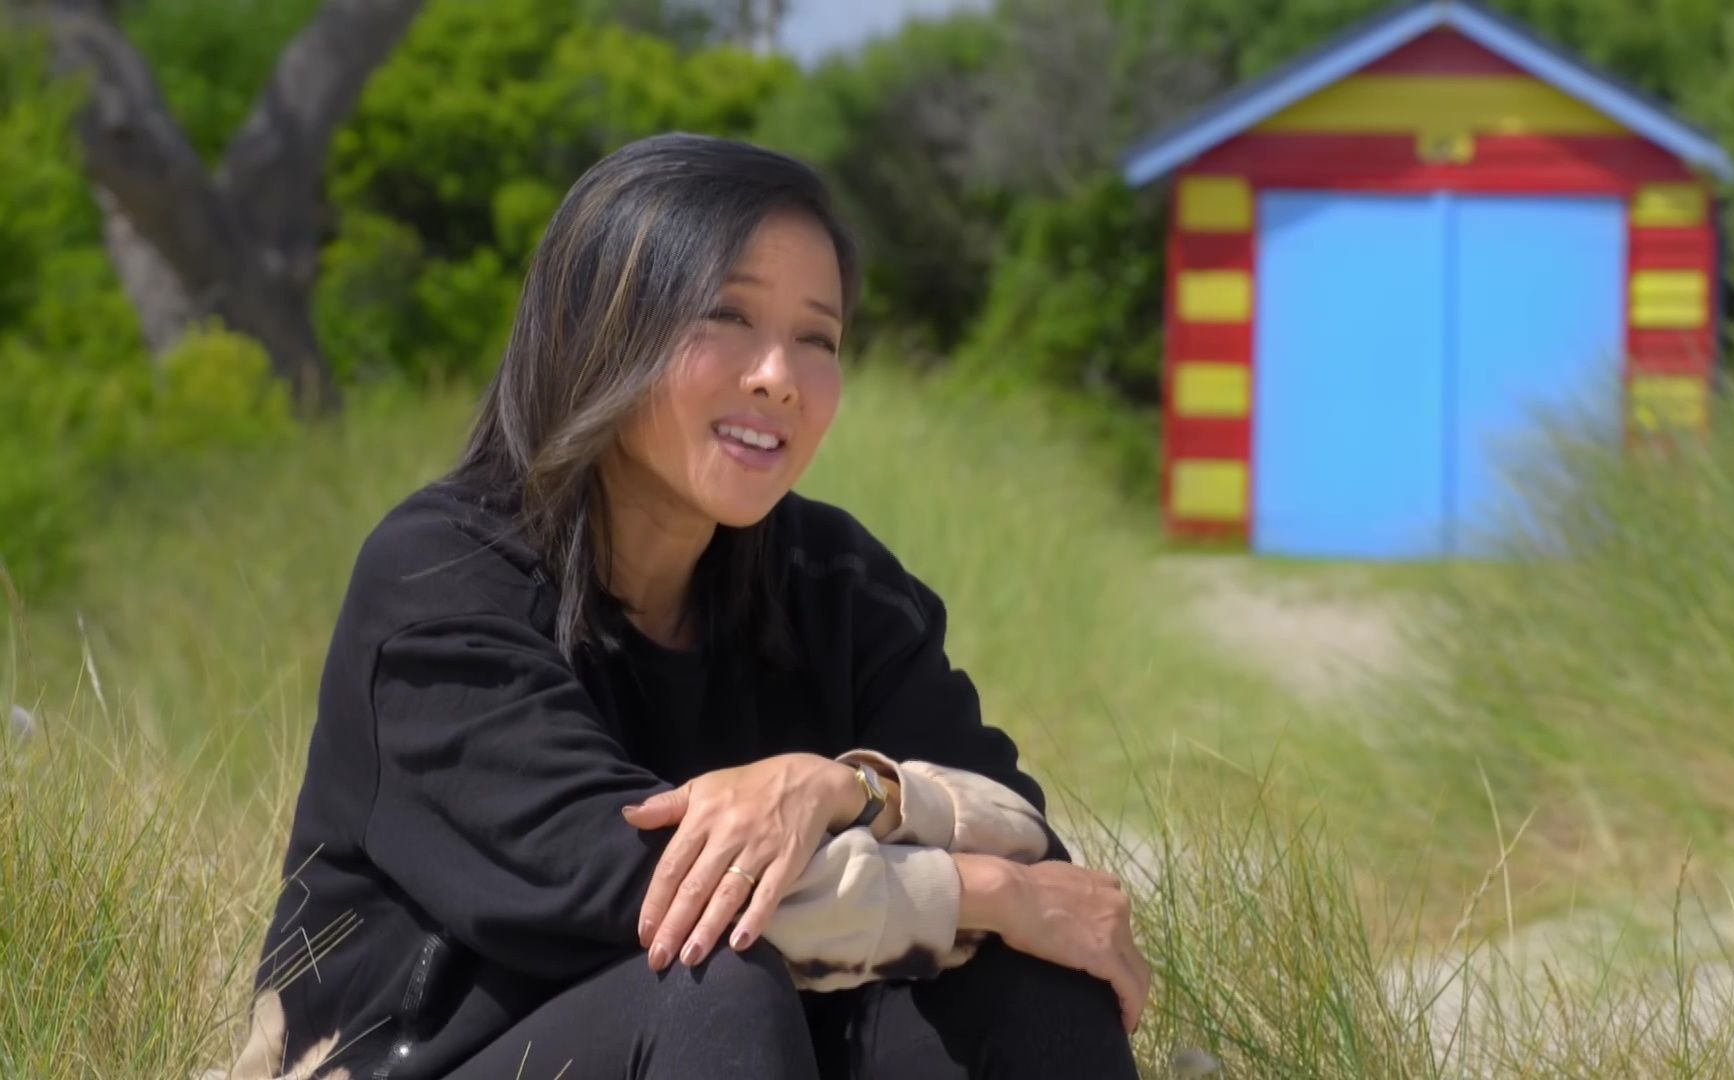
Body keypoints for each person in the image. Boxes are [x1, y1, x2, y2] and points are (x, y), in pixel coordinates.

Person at [226, 133, 1149, 1080]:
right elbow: (642, 890)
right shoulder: (440, 580)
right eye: (727, 315)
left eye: (817, 338)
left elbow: (1032, 846)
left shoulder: (834, 581)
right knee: (711, 979)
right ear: (595, 327)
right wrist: (981, 893)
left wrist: (845, 789)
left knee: (1034, 979)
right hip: (420, 1063)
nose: (777, 375)